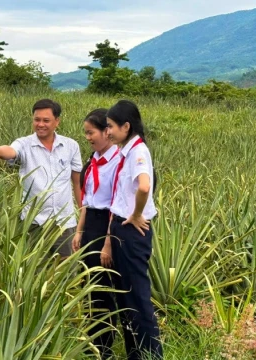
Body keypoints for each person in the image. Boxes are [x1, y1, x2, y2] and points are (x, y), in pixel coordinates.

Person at [0, 98, 82, 258]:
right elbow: (11, 150)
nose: (40, 124)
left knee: (67, 272)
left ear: (57, 121)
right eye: (37, 120)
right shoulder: (24, 144)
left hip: (64, 223)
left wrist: (82, 218)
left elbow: (77, 183)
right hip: (33, 223)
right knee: (34, 270)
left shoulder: (71, 146)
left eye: (46, 120)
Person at [106, 100, 163, 359]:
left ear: (126, 126)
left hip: (131, 231)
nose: (107, 132)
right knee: (126, 295)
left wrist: (137, 213)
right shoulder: (126, 151)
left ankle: (151, 354)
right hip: (121, 228)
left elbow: (143, 185)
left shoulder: (138, 152)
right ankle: (135, 353)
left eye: (110, 127)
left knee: (137, 297)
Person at [72, 108, 120, 359]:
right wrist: (79, 232)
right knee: (88, 285)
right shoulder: (92, 160)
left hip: (107, 227)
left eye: (91, 133)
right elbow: (87, 201)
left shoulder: (118, 162)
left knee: (103, 289)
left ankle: (105, 348)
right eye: (86, 133)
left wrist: (108, 244)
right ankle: (91, 342)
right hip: (90, 223)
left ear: (107, 132)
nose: (88, 137)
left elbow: (116, 205)